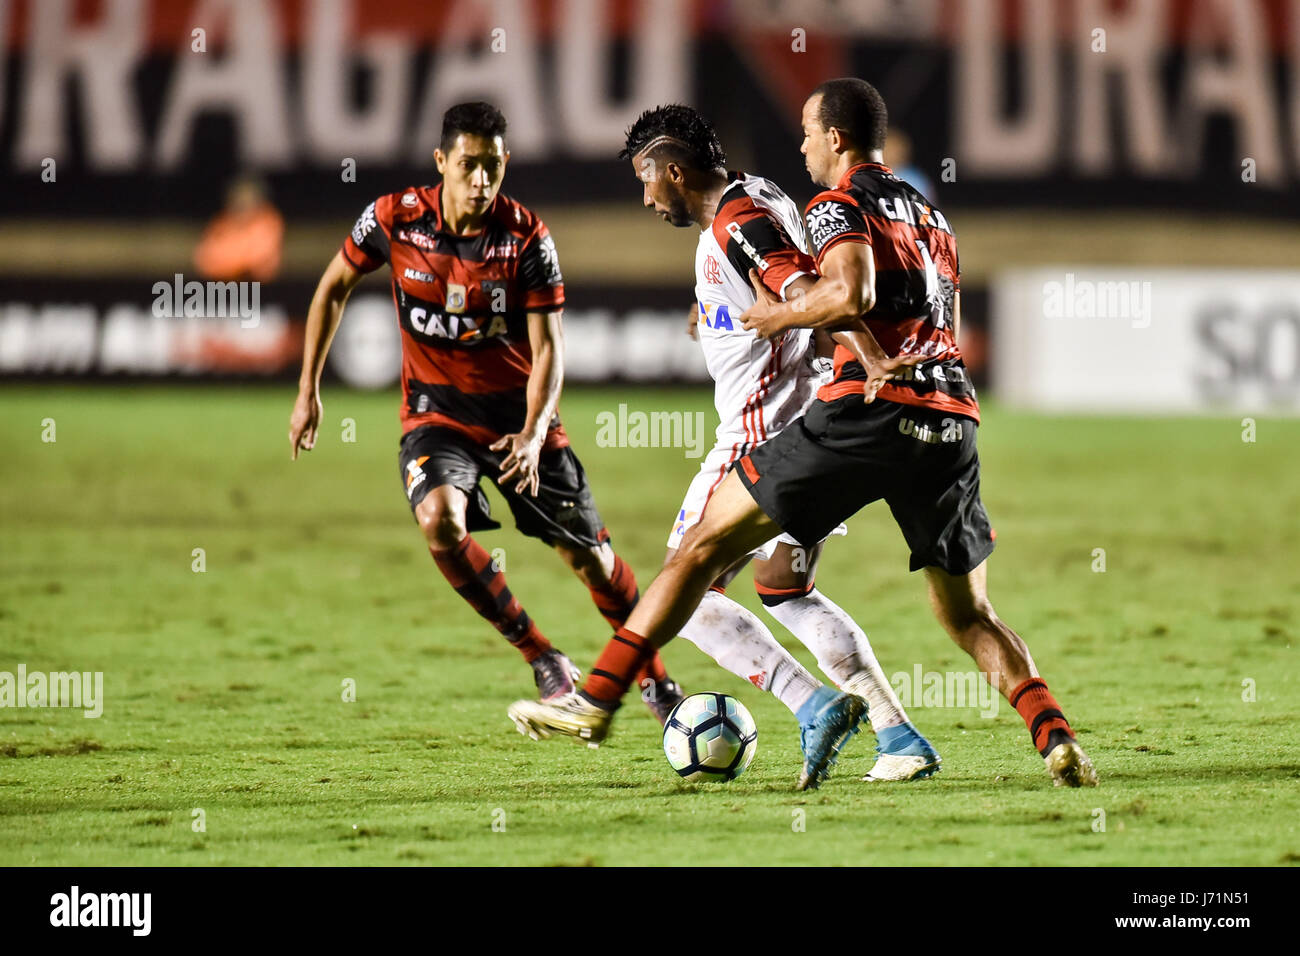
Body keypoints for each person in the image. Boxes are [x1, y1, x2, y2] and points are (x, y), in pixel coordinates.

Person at [508, 81, 1097, 788]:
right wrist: (728, 314)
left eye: (811, 134)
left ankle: (603, 700)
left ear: (671, 170)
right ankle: (998, 734)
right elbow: (911, 304)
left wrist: (830, 339)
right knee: (876, 599)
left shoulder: (792, 209)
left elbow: (821, 290)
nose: (803, 145)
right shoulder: (922, 214)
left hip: (805, 423)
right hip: (948, 416)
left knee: (688, 568)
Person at [528, 104, 941, 787]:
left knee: (681, 585)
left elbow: (813, 293)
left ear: (673, 170)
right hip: (818, 425)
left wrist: (867, 352)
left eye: (645, 180)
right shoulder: (765, 194)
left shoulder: (736, 220)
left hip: (762, 432)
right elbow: (790, 281)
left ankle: (808, 705)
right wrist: (713, 310)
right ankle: (898, 735)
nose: (645, 197)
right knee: (784, 586)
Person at [289, 101, 681, 720]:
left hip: (520, 422)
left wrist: (531, 435)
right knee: (440, 521)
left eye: (493, 167)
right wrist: (308, 386)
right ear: (441, 161)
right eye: (468, 165)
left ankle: (656, 681)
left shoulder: (526, 236)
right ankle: (541, 655)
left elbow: (550, 349)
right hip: (435, 417)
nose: (480, 180)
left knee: (592, 562)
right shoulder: (393, 219)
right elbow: (333, 285)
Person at [194, 174, 284, 282]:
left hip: (260, 290)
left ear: (258, 200)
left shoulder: (269, 222)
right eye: (238, 196)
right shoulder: (221, 223)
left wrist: (228, 264)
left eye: (247, 196)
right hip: (223, 289)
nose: (242, 202)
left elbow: (256, 262)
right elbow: (204, 260)